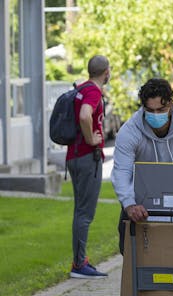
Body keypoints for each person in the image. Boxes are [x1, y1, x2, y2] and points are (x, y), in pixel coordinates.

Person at [111, 78, 173, 254]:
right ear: (143, 108)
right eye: (150, 110)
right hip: (139, 202)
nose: (156, 115)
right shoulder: (129, 132)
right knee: (130, 251)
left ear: (171, 104)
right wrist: (129, 204)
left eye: (161, 110)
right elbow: (122, 171)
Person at [67, 55, 111, 279]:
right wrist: (92, 140)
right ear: (106, 71)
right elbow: (86, 115)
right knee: (85, 212)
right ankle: (79, 265)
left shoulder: (81, 88)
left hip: (74, 158)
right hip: (86, 158)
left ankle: (79, 260)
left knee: (80, 211)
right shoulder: (93, 92)